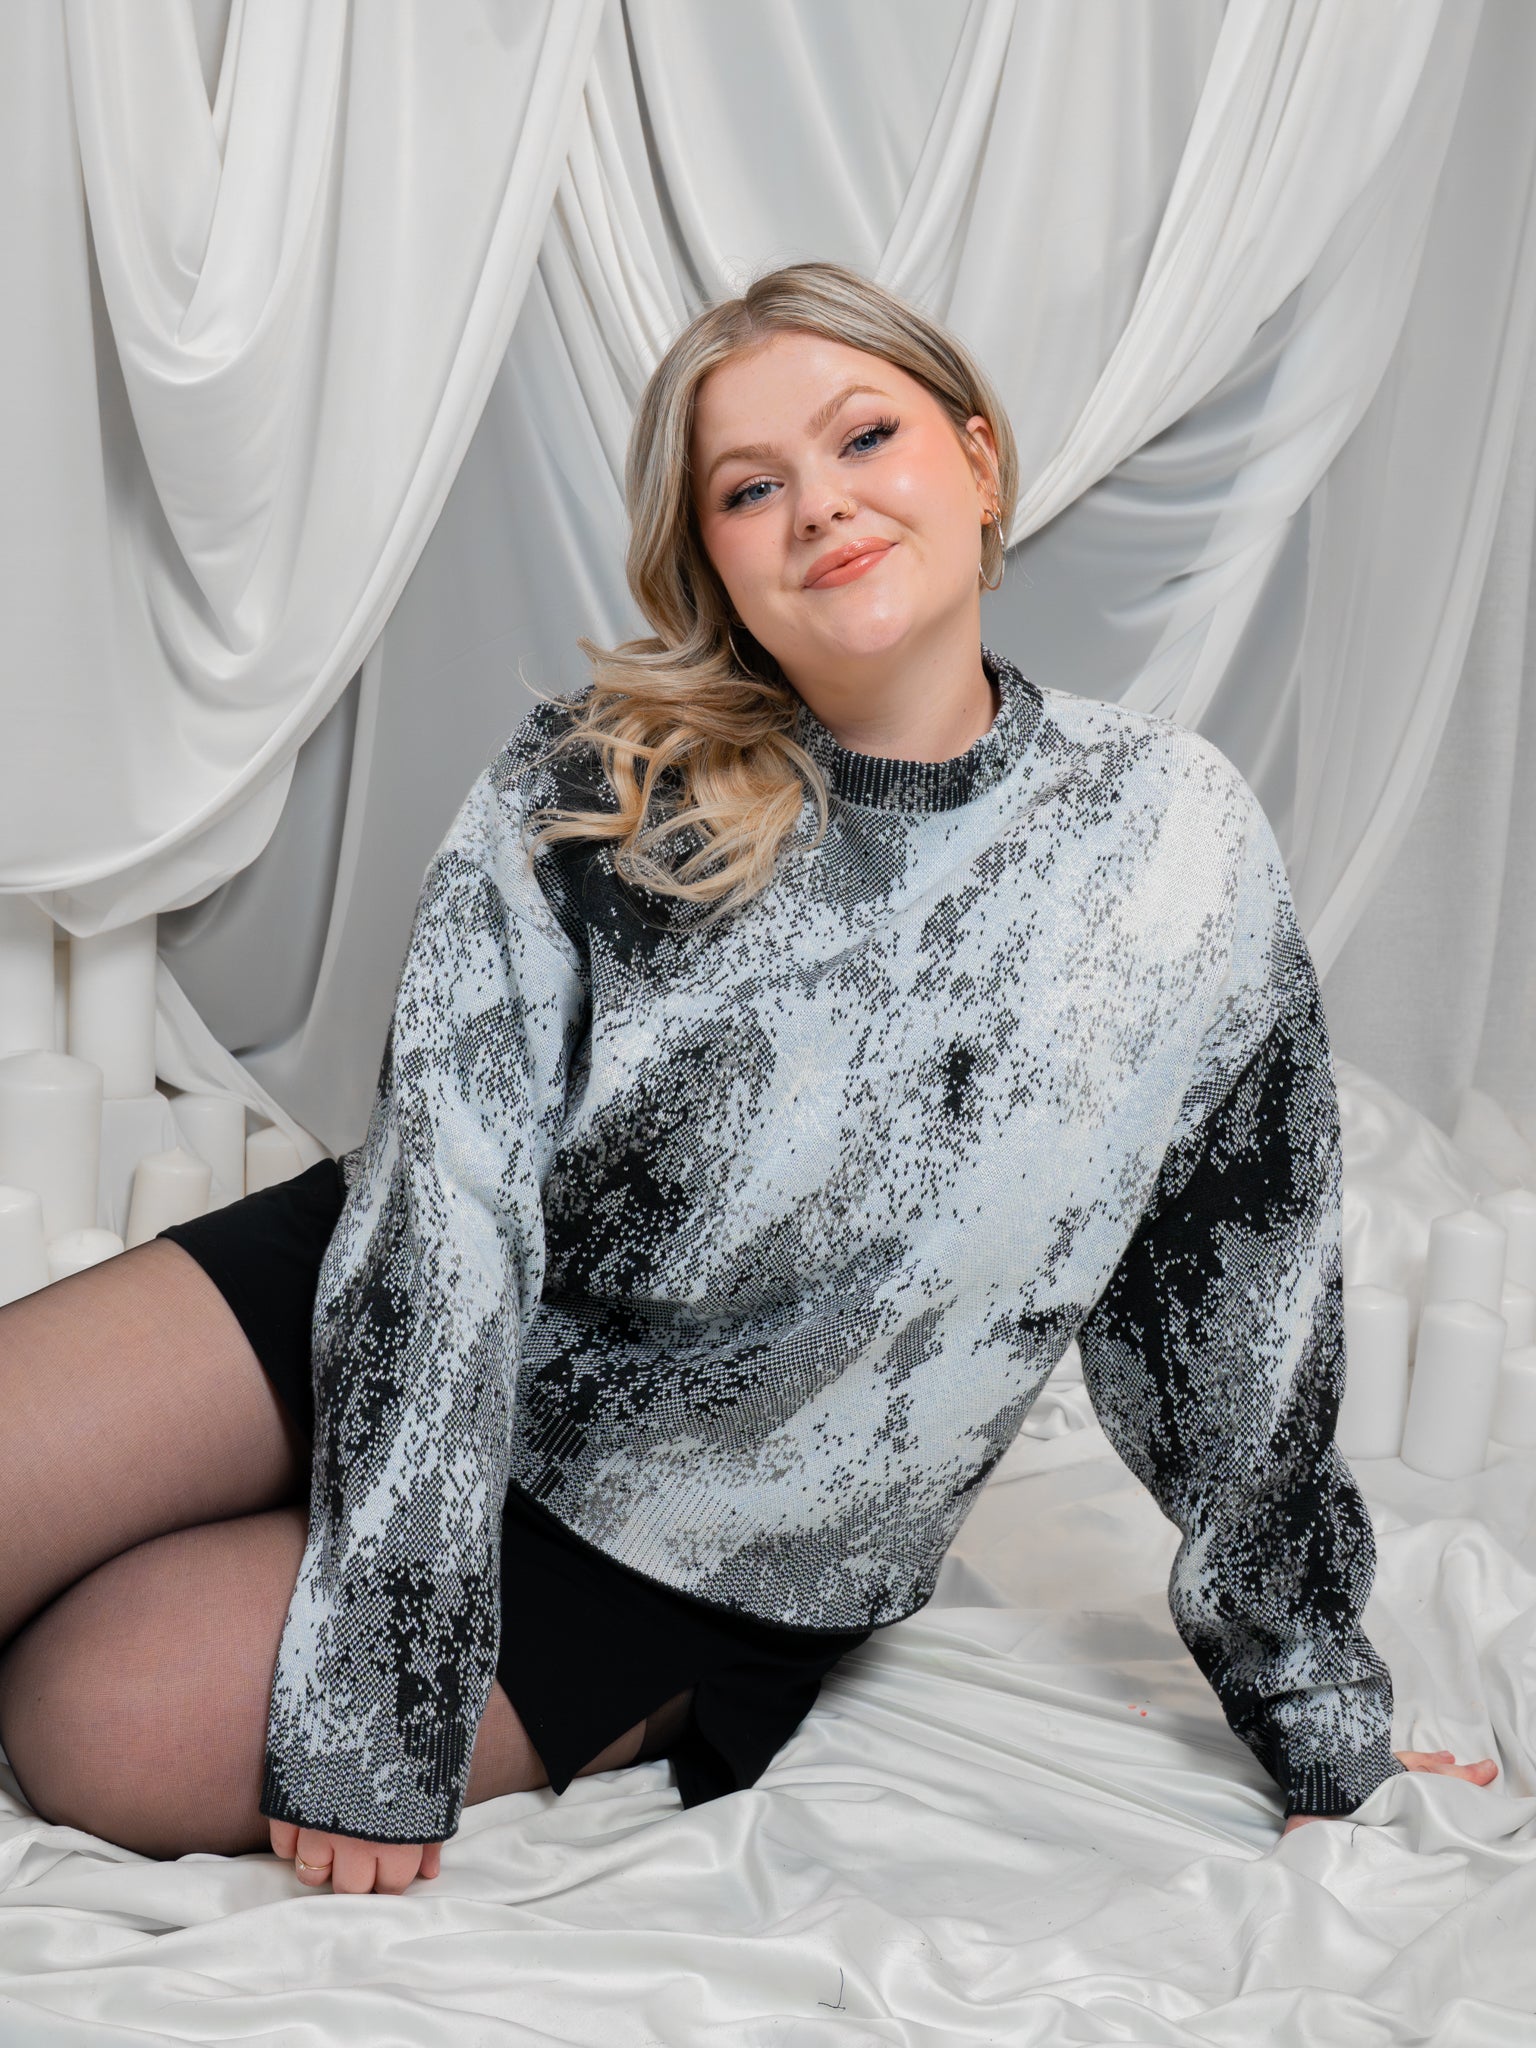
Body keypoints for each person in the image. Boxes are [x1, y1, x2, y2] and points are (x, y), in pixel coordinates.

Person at [0, 261, 1497, 1899]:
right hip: (405, 1288)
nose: (822, 507)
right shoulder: (599, 780)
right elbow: (449, 1201)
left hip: (690, 1536)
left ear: (980, 461)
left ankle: (618, 1685)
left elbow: (1242, 1327)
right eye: (751, 485)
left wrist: (1317, 1710)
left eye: (868, 437)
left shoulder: (1175, 845)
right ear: (710, 553)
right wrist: (383, 1669)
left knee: (90, 1718)